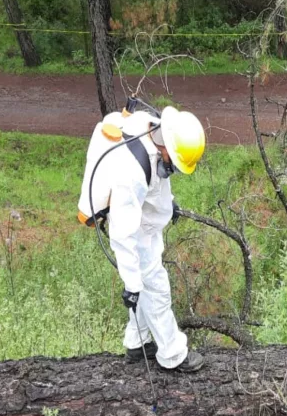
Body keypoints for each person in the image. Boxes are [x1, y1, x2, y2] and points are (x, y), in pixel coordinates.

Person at [77, 105, 206, 372]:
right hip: (135, 232)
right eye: (177, 163)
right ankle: (172, 355)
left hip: (145, 224)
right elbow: (122, 234)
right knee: (156, 289)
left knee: (148, 288)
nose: (176, 170)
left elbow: (157, 184)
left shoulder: (154, 128)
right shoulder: (131, 173)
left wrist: (169, 206)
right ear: (167, 147)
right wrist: (131, 284)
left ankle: (137, 344)